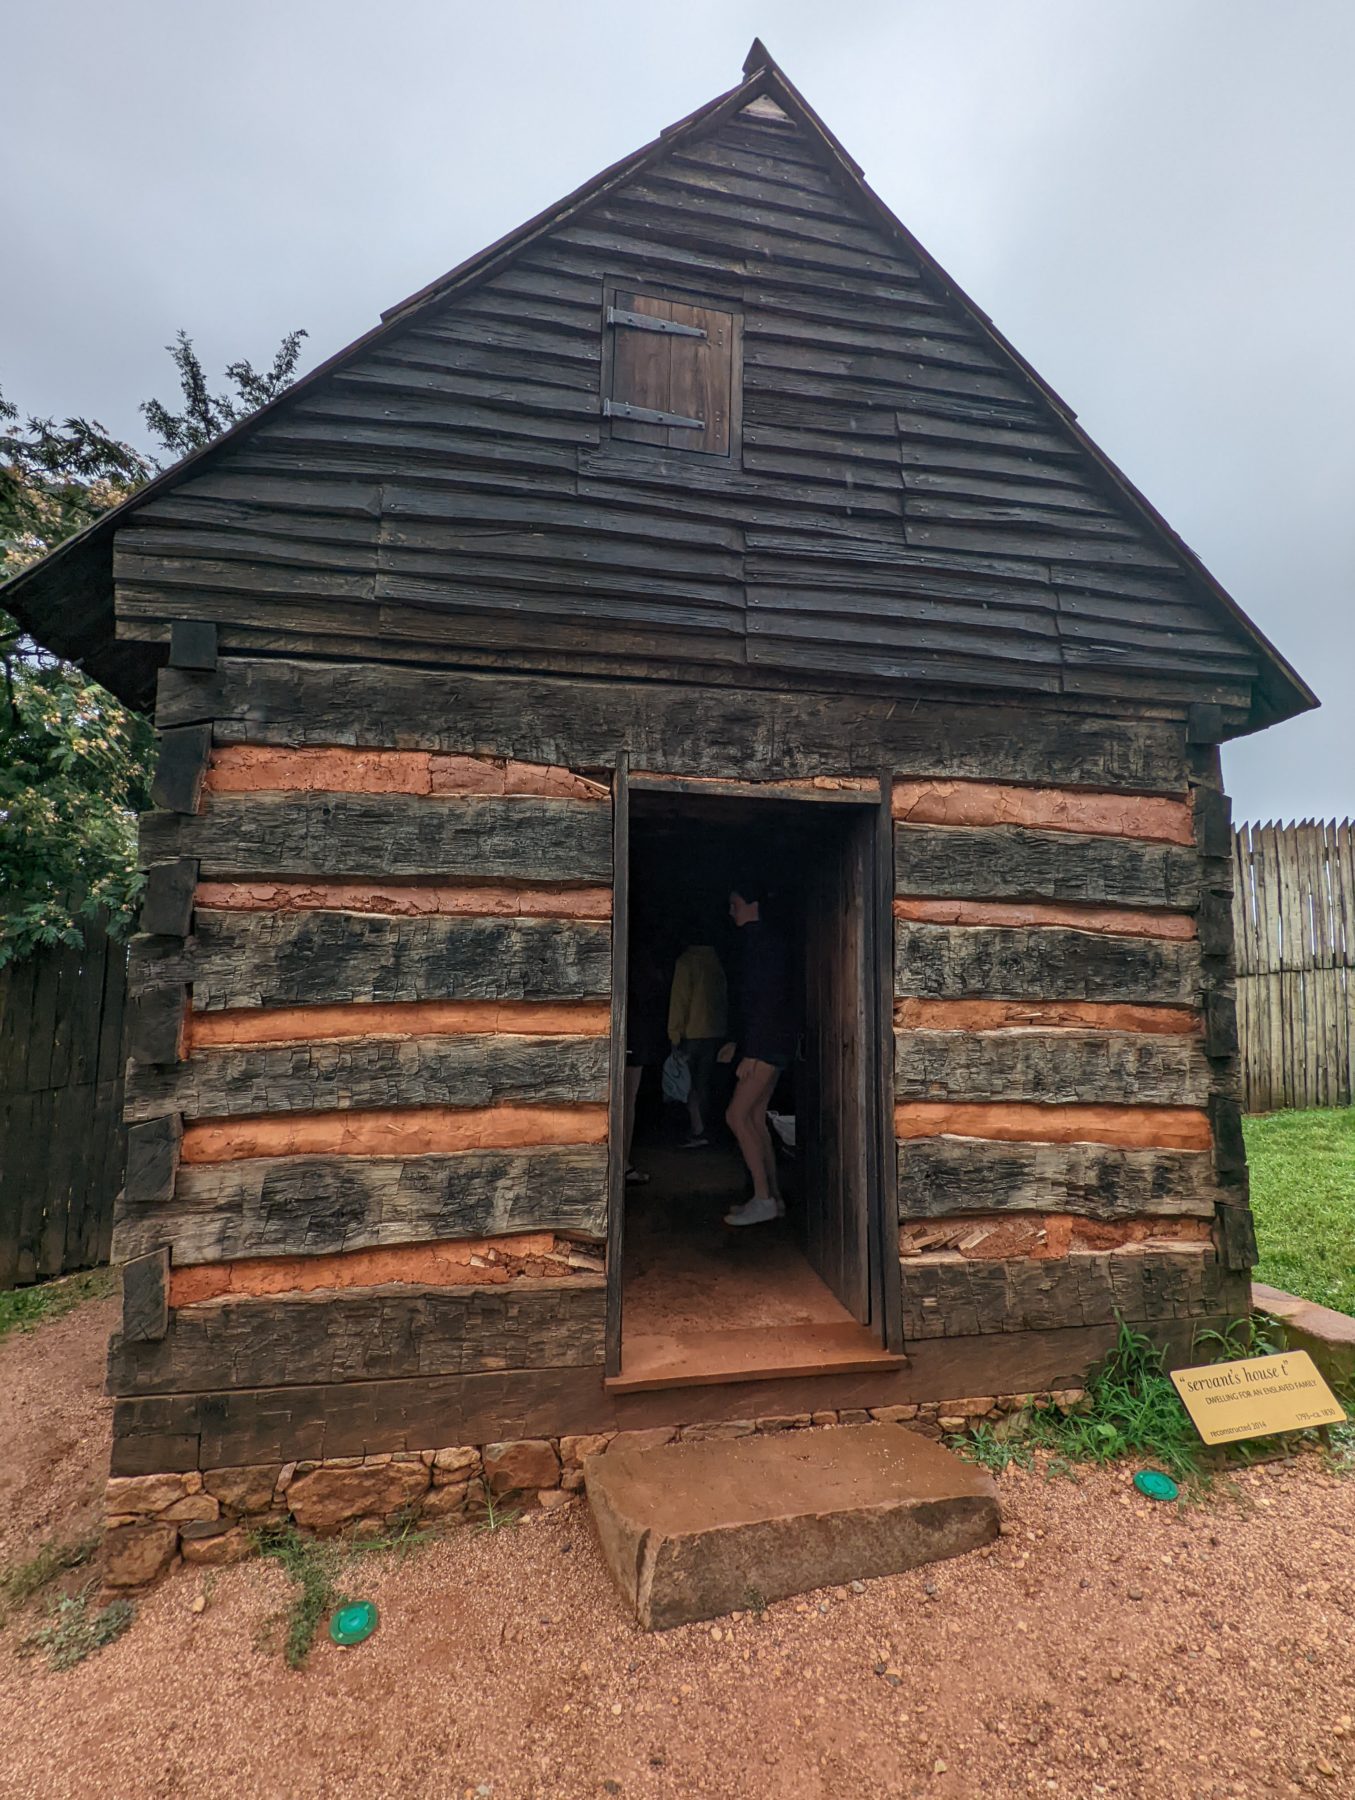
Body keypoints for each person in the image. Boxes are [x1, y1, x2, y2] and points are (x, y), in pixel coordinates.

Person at [720, 879, 796, 1227]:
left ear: (752, 906)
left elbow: (763, 1001)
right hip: (773, 1042)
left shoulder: (759, 944)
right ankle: (773, 1198)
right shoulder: (769, 941)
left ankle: (763, 1198)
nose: (731, 910)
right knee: (755, 1117)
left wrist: (751, 1051)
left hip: (765, 1045)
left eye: (735, 904)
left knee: (736, 1116)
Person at [666, 927, 728, 1149]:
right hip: (714, 1032)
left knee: (687, 1084)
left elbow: (680, 1000)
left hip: (691, 1033)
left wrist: (674, 1033)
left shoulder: (686, 962)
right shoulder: (715, 960)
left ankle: (697, 1129)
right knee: (703, 1083)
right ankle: (705, 1128)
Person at [624, 942, 669, 1185]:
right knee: (626, 1101)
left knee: (626, 1100)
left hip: (633, 1036)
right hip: (633, 1035)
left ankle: (622, 1163)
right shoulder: (641, 967)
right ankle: (622, 1164)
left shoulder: (634, 962)